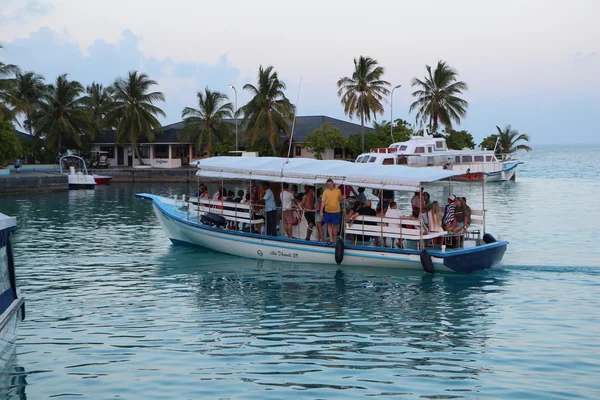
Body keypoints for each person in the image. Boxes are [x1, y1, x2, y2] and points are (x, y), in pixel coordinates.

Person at [320, 178, 344, 245]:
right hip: (328, 211)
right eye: (328, 185)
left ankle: (334, 238)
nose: (329, 186)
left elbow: (340, 199)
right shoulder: (325, 191)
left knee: (335, 225)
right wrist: (321, 211)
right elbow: (323, 202)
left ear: (333, 184)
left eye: (330, 184)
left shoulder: (338, 191)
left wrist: (343, 197)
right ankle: (331, 239)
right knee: (329, 225)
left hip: (336, 211)